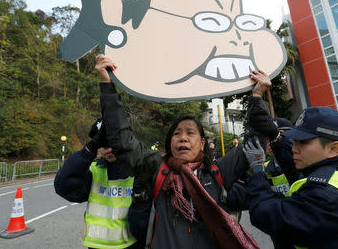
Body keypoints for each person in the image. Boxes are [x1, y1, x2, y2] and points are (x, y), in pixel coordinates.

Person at [95, 54, 259, 249]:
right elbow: (122, 141)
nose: (183, 138)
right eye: (177, 134)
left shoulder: (217, 172)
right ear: (169, 142)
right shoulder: (157, 169)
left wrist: (257, 96)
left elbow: (255, 138)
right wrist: (107, 86)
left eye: (190, 133)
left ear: (202, 143)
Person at [244, 71, 338, 249]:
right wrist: (257, 96)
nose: (294, 148)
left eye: (303, 142)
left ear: (334, 149)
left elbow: (264, 214)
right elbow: (283, 149)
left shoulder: (327, 195)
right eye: (295, 141)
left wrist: (256, 170)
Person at [54, 119, 140, 249]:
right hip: (97, 245)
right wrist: (89, 149)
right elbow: (64, 186)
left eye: (113, 140)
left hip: (132, 244)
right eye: (102, 142)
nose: (107, 146)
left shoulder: (139, 169)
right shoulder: (93, 171)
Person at [264, 117, 294, 197]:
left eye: (276, 137)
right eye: (267, 139)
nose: (270, 143)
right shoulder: (264, 168)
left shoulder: (303, 164)